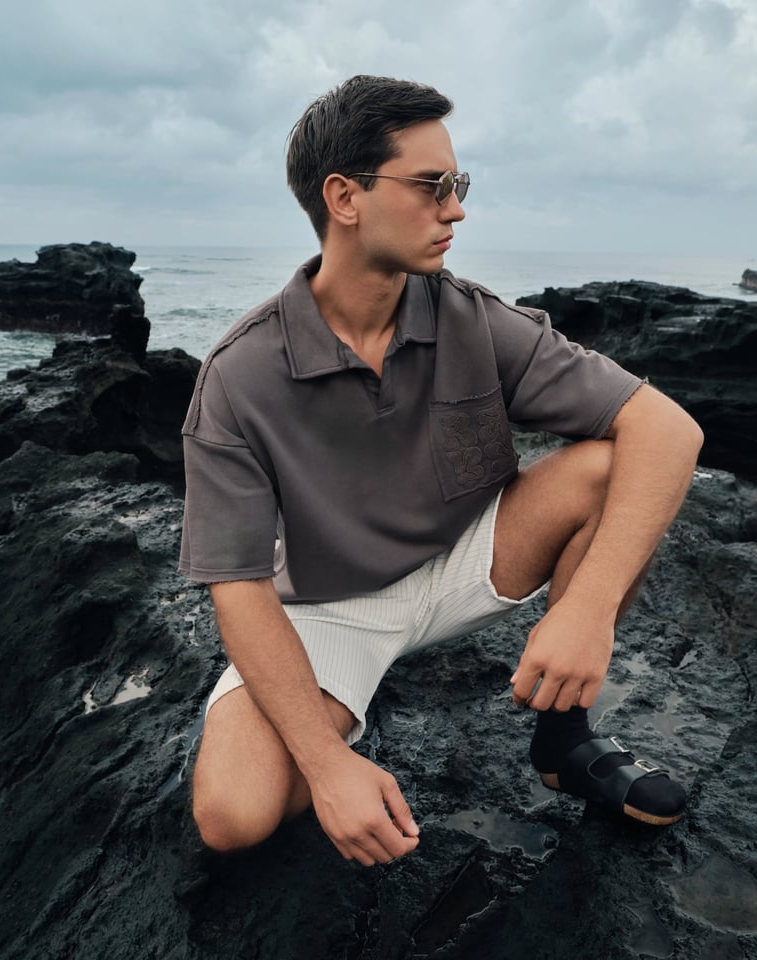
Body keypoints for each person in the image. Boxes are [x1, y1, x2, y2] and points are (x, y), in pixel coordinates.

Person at [179, 75, 703, 867]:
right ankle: (318, 710)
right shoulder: (241, 375)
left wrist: (586, 610)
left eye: (458, 185)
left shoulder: (470, 316)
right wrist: (328, 767)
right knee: (234, 816)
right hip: (327, 608)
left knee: (605, 466)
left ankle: (565, 745)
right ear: (344, 198)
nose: (455, 208)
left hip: (470, 560)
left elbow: (668, 429)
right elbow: (238, 586)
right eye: (432, 186)